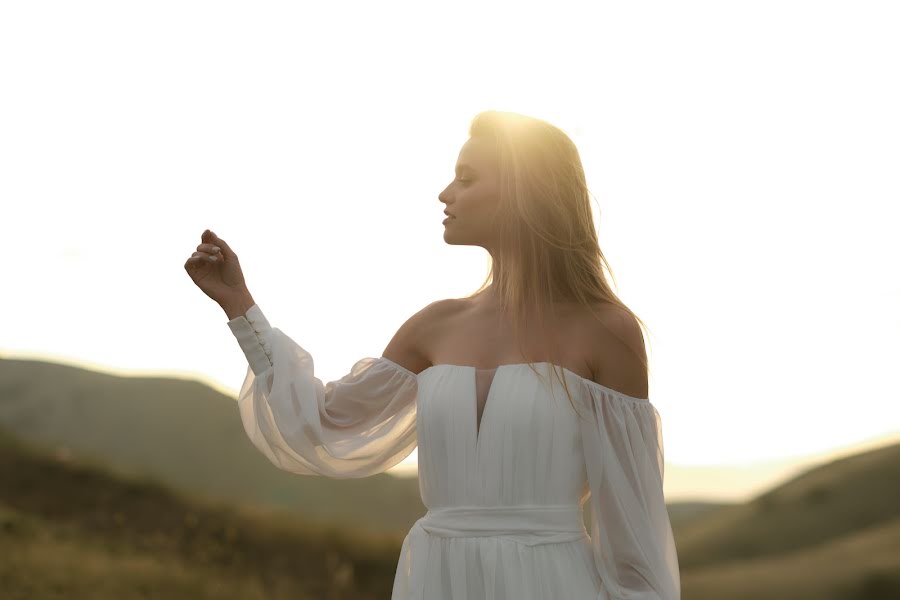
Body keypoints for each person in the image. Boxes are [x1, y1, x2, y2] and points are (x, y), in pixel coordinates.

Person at [184, 110, 681, 599]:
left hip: (553, 582)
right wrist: (241, 308)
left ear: (526, 190)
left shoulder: (606, 332)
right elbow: (322, 423)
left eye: (466, 179)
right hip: (437, 579)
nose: (446, 194)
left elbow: (633, 533)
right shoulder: (435, 326)